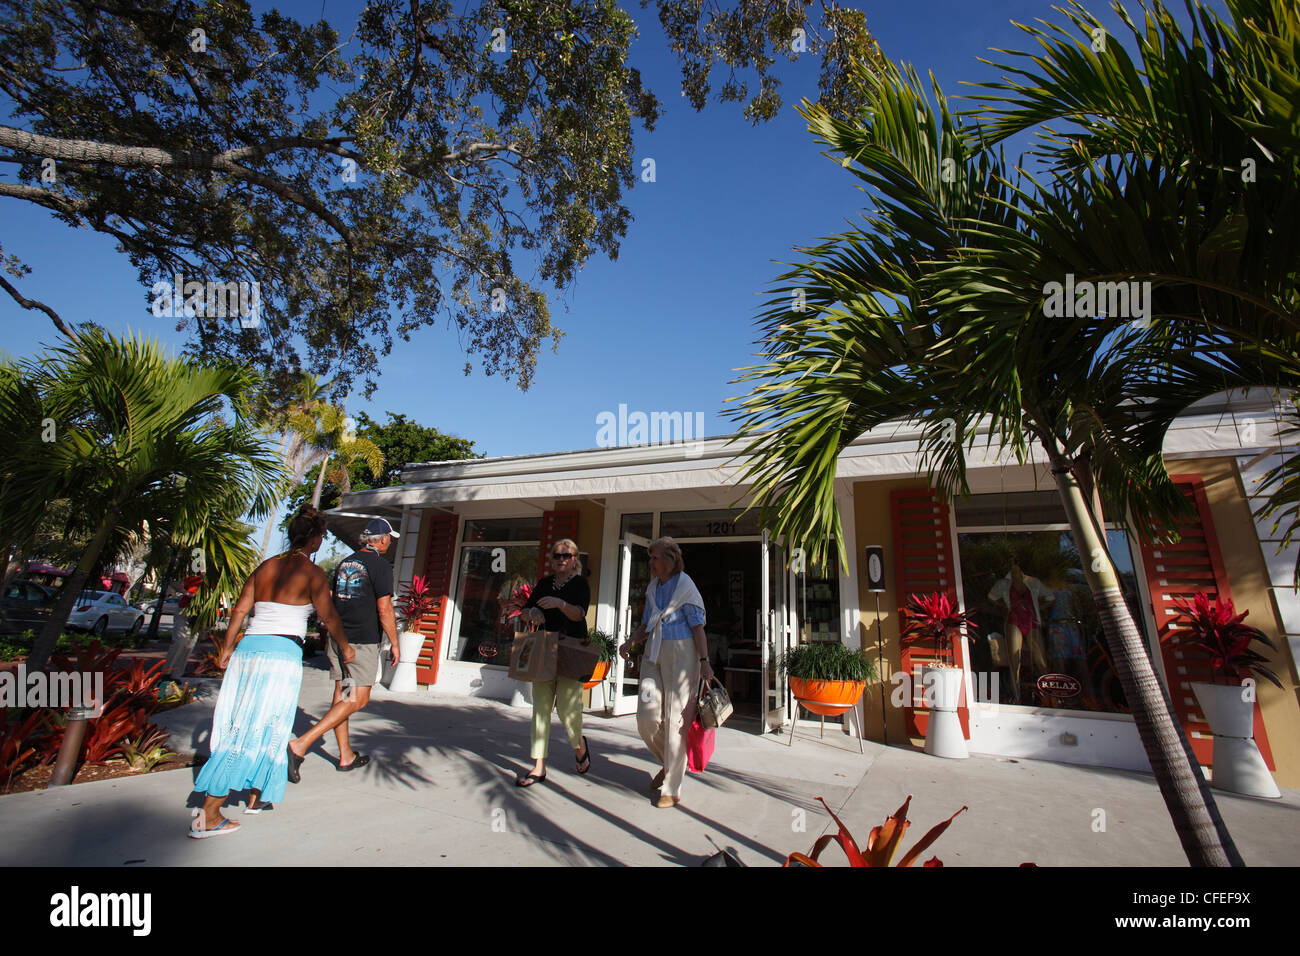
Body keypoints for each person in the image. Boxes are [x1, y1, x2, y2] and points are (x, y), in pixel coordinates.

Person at [189, 505, 350, 837]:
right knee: (259, 724)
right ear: (316, 540)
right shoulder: (312, 573)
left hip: (249, 649)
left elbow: (241, 609)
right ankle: (209, 814)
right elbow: (329, 617)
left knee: (255, 720)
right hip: (280, 654)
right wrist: (346, 648)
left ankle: (256, 798)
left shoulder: (265, 568)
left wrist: (228, 647)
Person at [287, 517, 400, 780]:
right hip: (361, 642)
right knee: (357, 699)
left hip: (338, 638)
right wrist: (395, 643)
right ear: (382, 540)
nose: (388, 543)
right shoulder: (380, 566)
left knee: (343, 696)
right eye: (388, 539)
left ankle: (345, 755)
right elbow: (384, 609)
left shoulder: (345, 562)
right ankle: (300, 744)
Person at [619, 537, 713, 808]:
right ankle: (668, 762)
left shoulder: (685, 586)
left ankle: (672, 786)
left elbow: (697, 627)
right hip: (654, 650)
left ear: (670, 559)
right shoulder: (652, 588)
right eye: (650, 558)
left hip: (682, 653)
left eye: (655, 558)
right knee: (646, 718)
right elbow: (647, 624)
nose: (650, 563)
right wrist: (631, 641)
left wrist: (704, 660)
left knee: (675, 720)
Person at [515, 538, 591, 787]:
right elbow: (526, 609)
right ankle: (538, 766)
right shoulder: (544, 583)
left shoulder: (580, 583)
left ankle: (579, 746)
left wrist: (559, 604)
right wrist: (532, 613)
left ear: (574, 559)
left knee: (568, 709)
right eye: (557, 556)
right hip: (544, 646)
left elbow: (579, 613)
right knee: (541, 707)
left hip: (570, 647)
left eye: (566, 555)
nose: (561, 560)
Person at [988, 564, 1053, 704]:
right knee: (1014, 660)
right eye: (1012, 567)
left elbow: (1050, 597)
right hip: (1014, 620)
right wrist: (1004, 607)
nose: (1015, 569)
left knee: (1040, 659)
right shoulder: (1003, 584)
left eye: (1018, 567)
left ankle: (1049, 696)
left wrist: (1040, 608)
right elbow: (991, 597)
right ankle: (1016, 696)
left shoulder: (1033, 582)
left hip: (1032, 621)